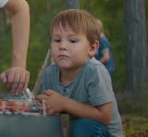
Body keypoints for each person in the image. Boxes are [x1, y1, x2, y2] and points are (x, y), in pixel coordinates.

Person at [36, 9, 123, 137]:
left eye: (72, 41)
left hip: (101, 132)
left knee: (83, 127)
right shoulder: (50, 73)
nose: (62, 46)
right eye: (57, 40)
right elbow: (52, 112)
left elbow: (105, 116)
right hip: (71, 131)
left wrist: (63, 103)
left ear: (92, 48)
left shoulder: (94, 71)